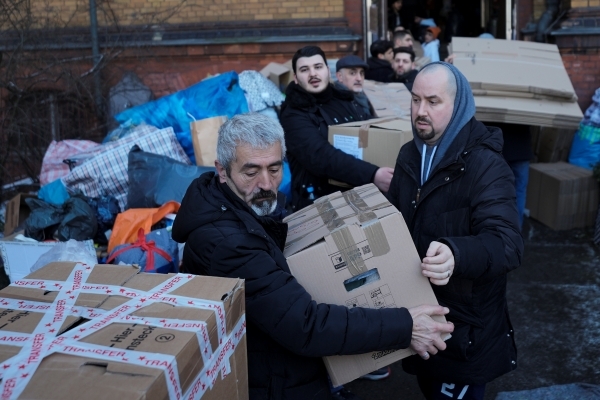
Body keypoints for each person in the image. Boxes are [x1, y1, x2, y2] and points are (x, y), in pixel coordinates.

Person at [172, 112, 455, 400]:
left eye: (274, 168)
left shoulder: (234, 206)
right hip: (272, 382)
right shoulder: (228, 243)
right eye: (251, 171)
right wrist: (405, 326)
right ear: (222, 171)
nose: (267, 184)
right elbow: (304, 325)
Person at [386, 63, 524, 400]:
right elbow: (393, 222)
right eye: (415, 100)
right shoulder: (409, 154)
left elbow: (507, 243)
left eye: (433, 102)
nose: (420, 111)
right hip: (419, 320)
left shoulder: (486, 165)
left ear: (458, 104)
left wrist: (456, 254)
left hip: (464, 330)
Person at [279, 46, 394, 211]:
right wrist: (372, 174)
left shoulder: (344, 100)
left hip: (358, 197)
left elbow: (370, 134)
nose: (313, 74)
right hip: (318, 205)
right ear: (296, 78)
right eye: (305, 70)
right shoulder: (292, 113)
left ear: (327, 70)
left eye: (318, 67)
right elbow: (320, 155)